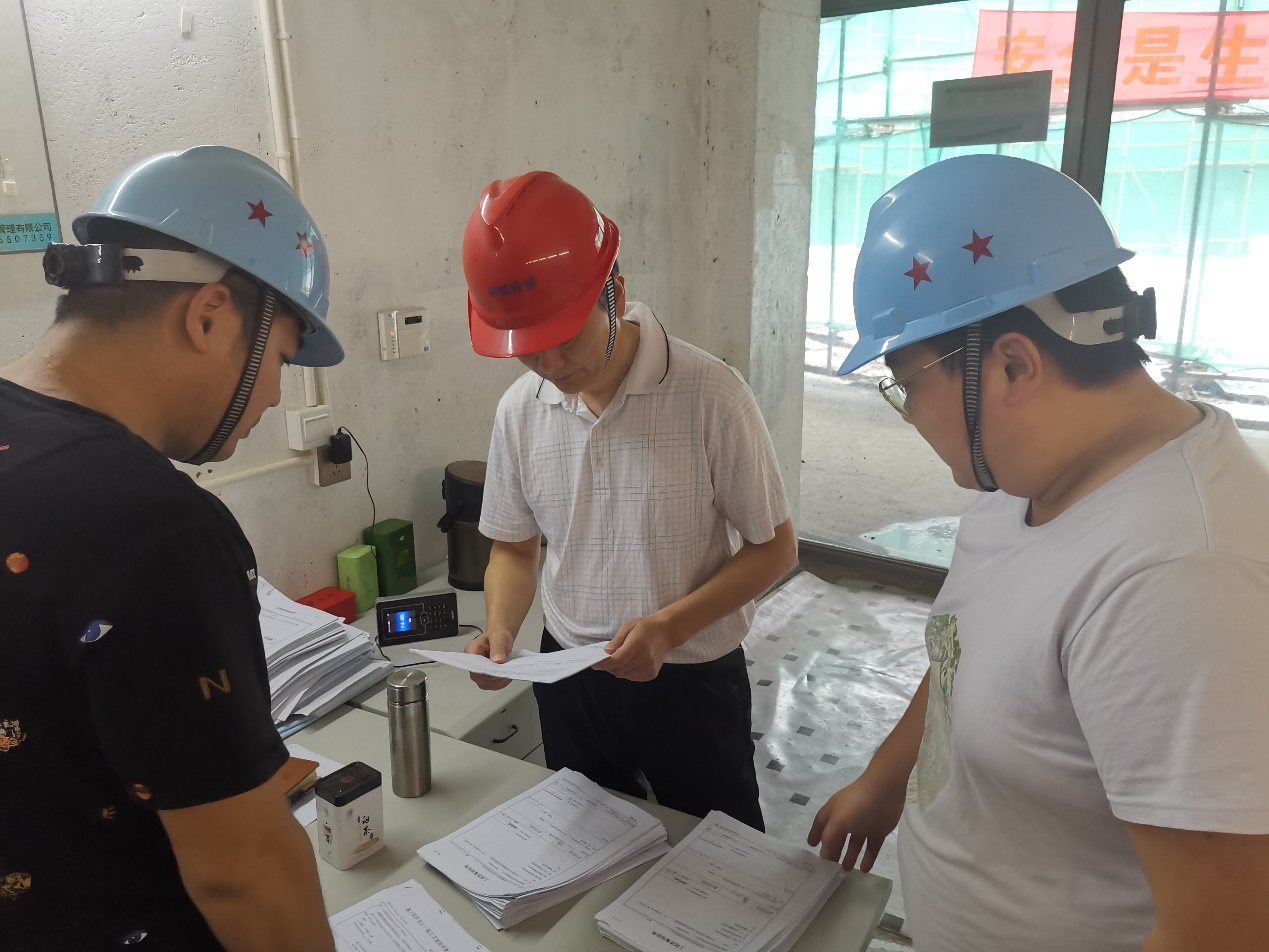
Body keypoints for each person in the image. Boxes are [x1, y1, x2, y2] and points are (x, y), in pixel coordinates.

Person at [807, 154, 1269, 950]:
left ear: (1013, 364)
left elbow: (1219, 932)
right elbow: (967, 650)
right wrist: (885, 779)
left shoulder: (1179, 577)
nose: (908, 414)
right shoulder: (1024, 473)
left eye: (906, 383)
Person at [0, 146, 342, 951]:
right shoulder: (152, 526)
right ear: (208, 315)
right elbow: (243, 876)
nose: (270, 395)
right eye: (280, 360)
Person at [459, 171, 796, 830]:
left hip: (691, 677)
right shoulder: (519, 411)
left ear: (612, 293)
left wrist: (669, 628)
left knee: (719, 854)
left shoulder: (711, 395)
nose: (551, 366)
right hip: (567, 673)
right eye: (528, 351)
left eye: (564, 339)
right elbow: (514, 550)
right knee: (588, 848)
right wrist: (500, 629)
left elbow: (774, 548)